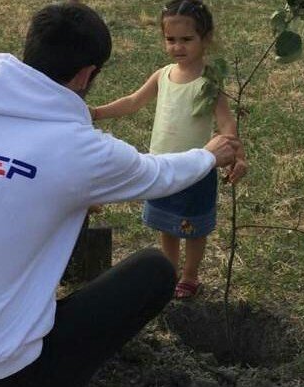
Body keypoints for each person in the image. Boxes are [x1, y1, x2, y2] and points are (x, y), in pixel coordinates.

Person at [0, 2, 241, 387]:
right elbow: (158, 172)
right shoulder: (80, 151)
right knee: (155, 271)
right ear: (87, 74)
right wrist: (209, 156)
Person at [92, 0, 248, 299]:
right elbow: (133, 101)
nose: (178, 47)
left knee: (194, 227)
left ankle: (190, 276)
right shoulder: (162, 75)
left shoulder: (209, 81)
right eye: (171, 39)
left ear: (206, 38)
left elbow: (226, 122)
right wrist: (97, 112)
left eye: (186, 39)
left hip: (197, 168)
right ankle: (169, 271)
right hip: (162, 167)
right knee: (167, 223)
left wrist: (236, 154)